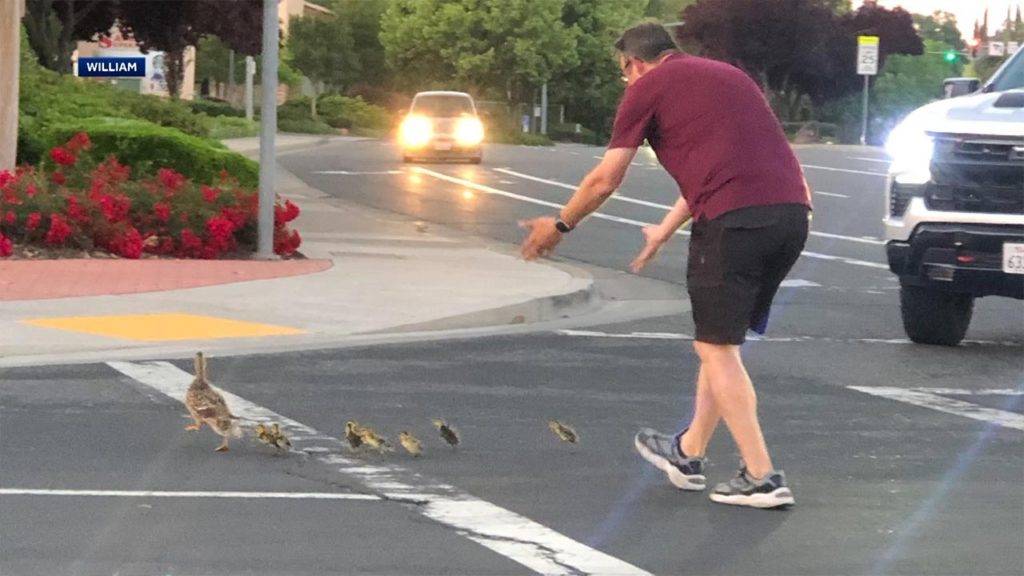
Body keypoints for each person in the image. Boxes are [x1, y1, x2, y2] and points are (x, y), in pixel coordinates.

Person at [519, 22, 812, 509]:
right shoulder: (728, 77)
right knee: (721, 343)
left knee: (715, 348)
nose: (626, 83)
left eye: (623, 74)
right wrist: (664, 229)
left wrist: (560, 225)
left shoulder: (647, 87)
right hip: (789, 218)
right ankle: (688, 451)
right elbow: (726, 163)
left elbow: (605, 179)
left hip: (734, 223)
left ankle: (761, 476)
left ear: (632, 63)